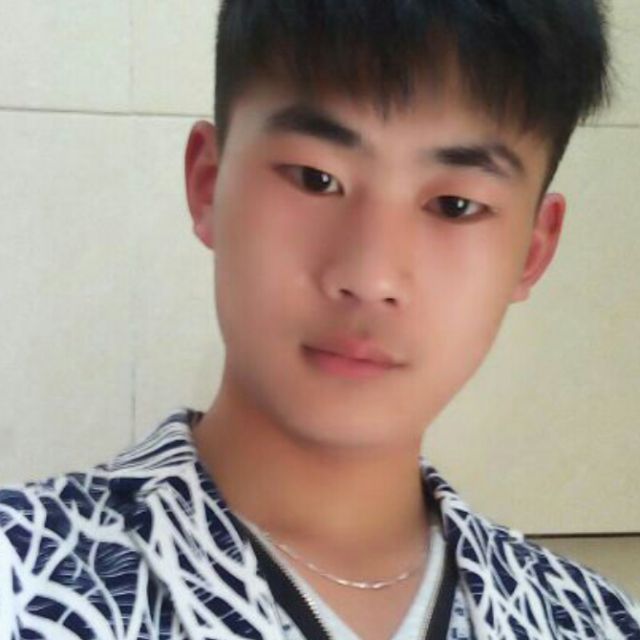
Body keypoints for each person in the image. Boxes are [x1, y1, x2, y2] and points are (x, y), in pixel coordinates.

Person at [1, 1, 639, 638]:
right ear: (207, 183)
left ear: (532, 251)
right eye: (315, 178)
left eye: (454, 205)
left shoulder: (593, 621)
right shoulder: (23, 575)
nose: (370, 276)